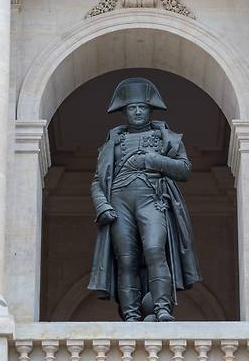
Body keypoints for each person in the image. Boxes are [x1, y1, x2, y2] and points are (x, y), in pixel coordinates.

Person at [87, 77, 202, 322]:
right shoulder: (112, 143)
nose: (137, 111)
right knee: (126, 259)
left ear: (150, 110)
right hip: (118, 201)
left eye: (142, 107)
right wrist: (102, 205)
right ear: (124, 112)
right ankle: (131, 315)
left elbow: (184, 169)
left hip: (152, 197)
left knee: (154, 250)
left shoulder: (166, 138)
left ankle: (162, 308)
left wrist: (151, 160)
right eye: (132, 107)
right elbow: (98, 180)